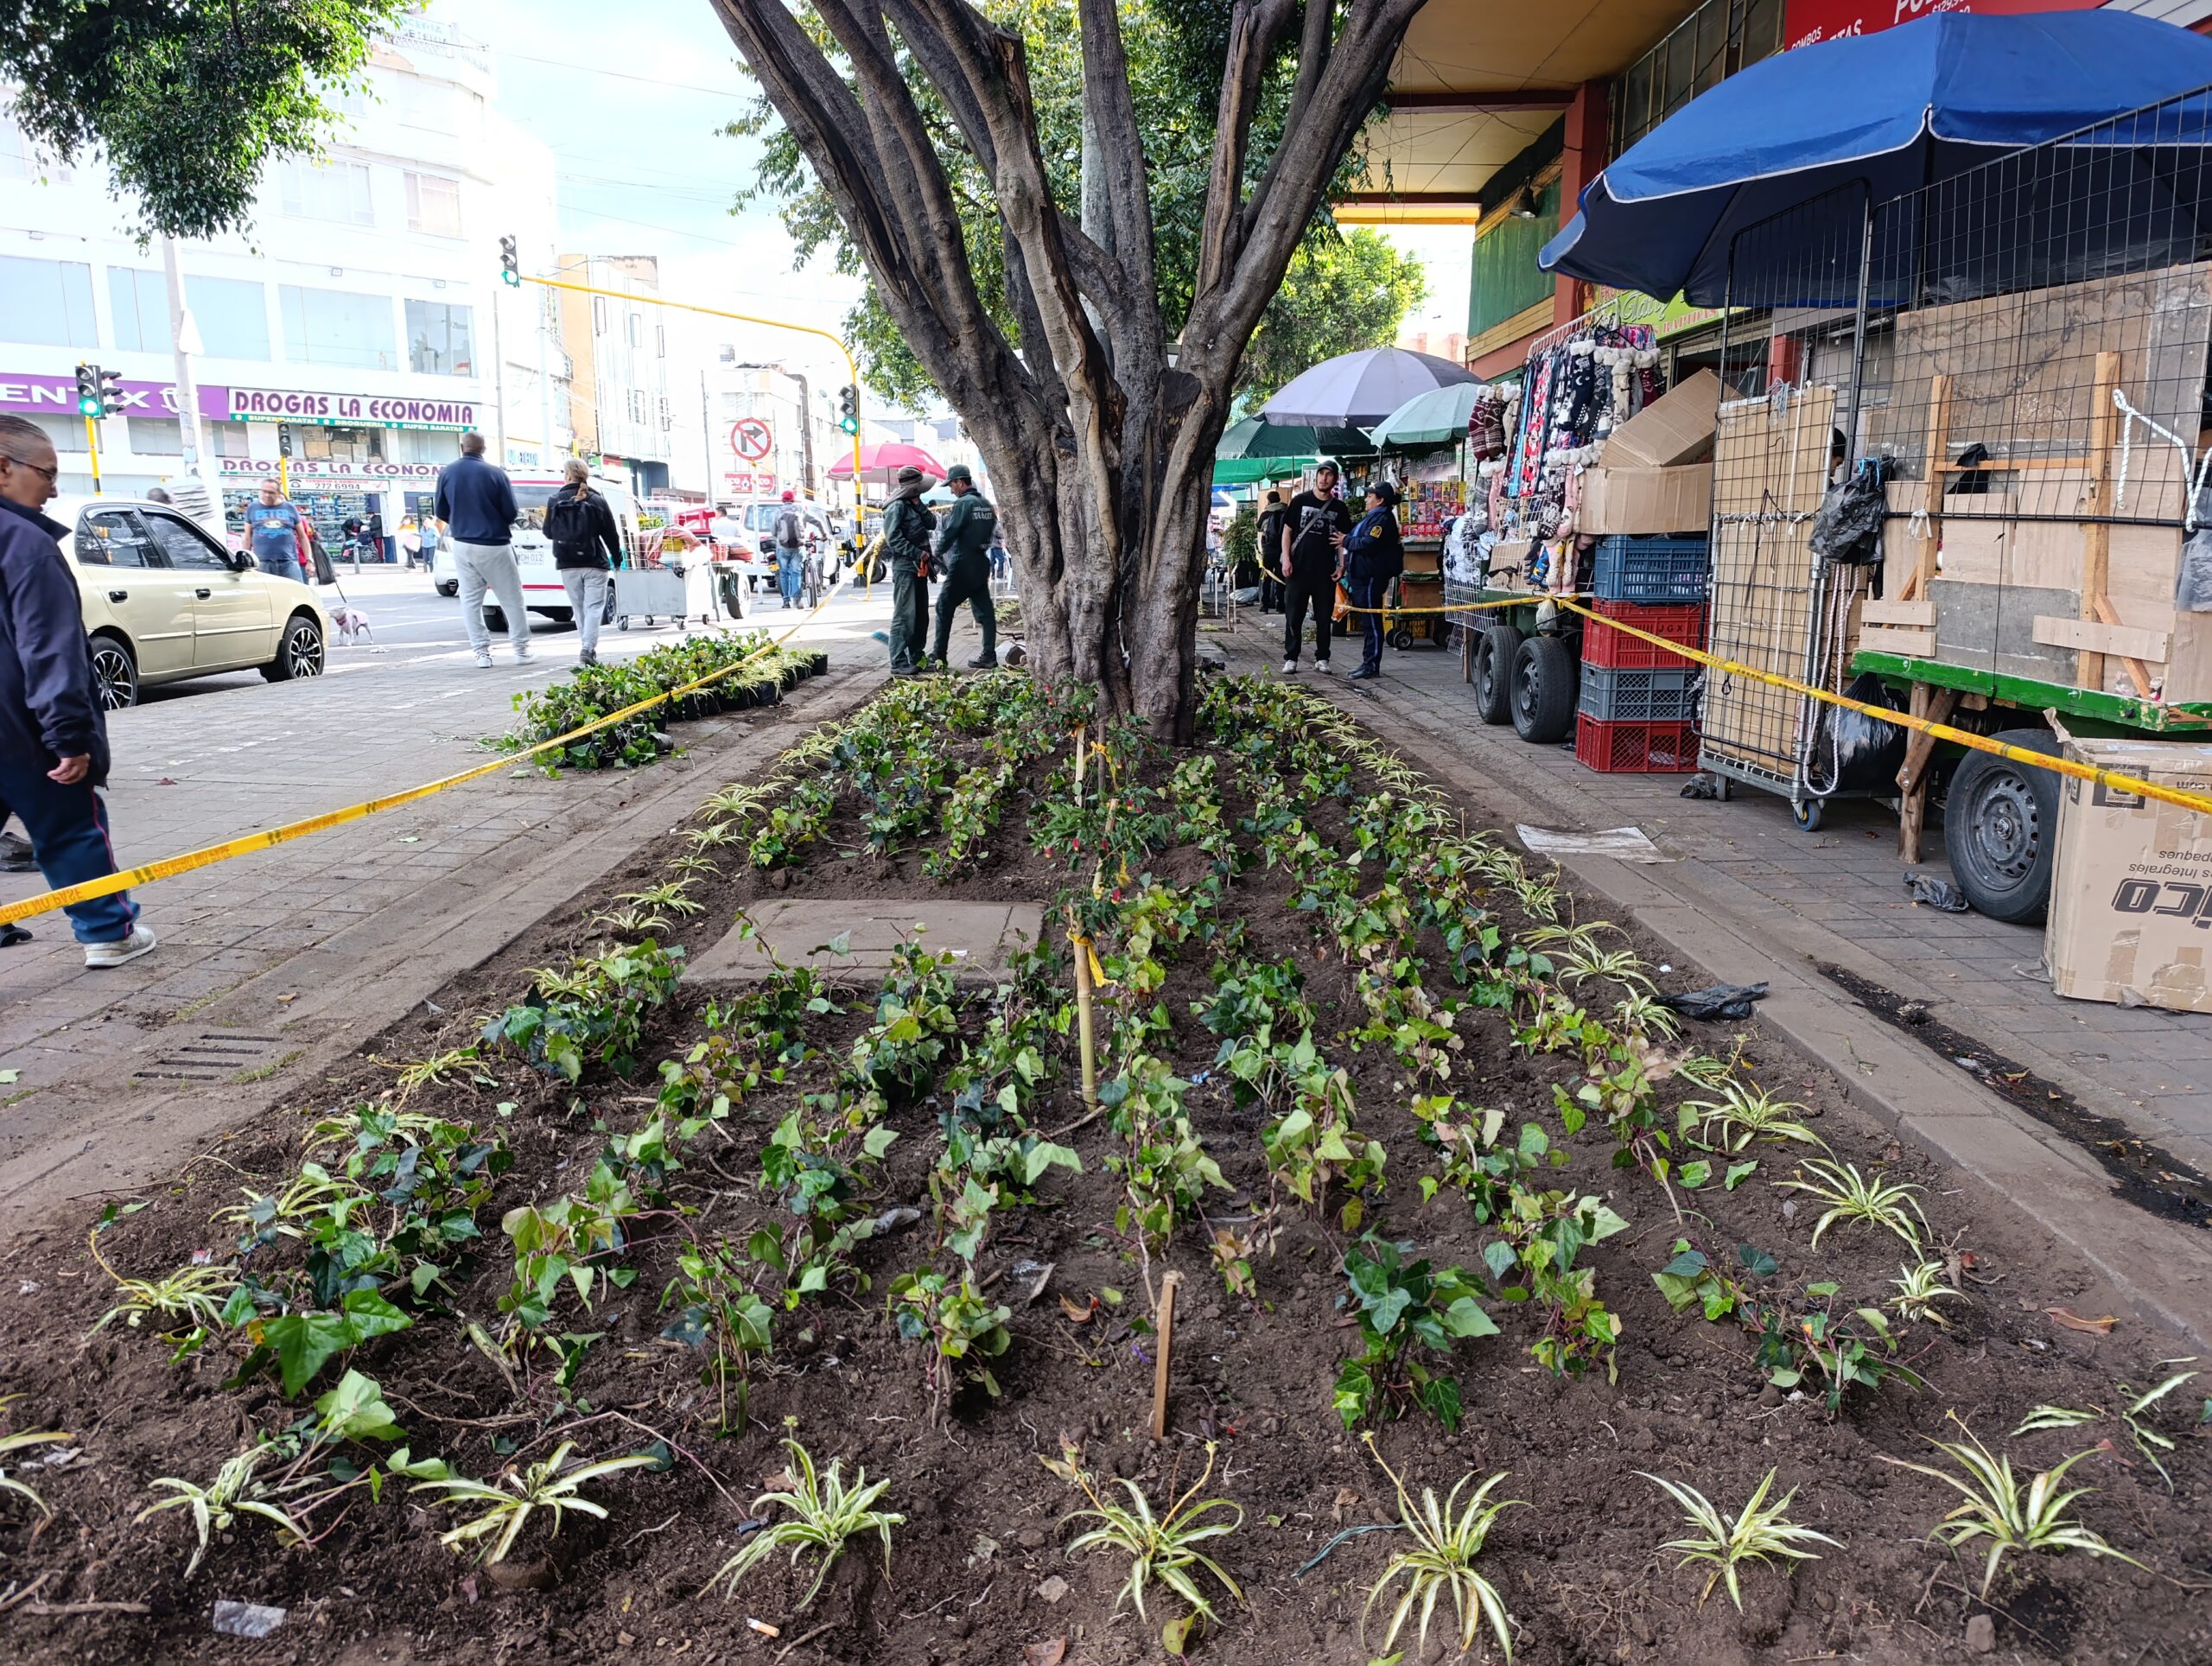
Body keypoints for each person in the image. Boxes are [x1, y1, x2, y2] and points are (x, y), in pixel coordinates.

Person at [0, 416, 155, 968]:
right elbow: (49, 648)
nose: (53, 488)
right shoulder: (24, 543)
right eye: (46, 473)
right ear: (4, 468)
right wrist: (68, 735)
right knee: (69, 826)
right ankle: (108, 931)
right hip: (22, 726)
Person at [433, 430, 530, 669]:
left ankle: (482, 654)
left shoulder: (447, 472)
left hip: (462, 543)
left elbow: (441, 511)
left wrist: (460, 522)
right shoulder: (496, 474)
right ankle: (520, 650)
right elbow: (510, 512)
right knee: (511, 598)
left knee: (470, 600)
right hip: (495, 543)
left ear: (461, 446)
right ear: (484, 449)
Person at [543, 459, 621, 666]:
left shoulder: (554, 499)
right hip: (595, 562)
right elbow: (611, 534)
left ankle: (587, 648)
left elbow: (548, 532)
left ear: (568, 475)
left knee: (579, 609)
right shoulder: (597, 500)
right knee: (594, 607)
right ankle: (588, 648)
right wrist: (618, 559)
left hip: (567, 564)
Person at [1281, 461, 1352, 674]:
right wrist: (1286, 559)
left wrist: (1342, 565)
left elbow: (1341, 540)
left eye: (1329, 475)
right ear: (1316, 477)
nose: (1324, 478)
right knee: (1294, 616)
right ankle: (1291, 657)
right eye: (1321, 474)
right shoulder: (1300, 501)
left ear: (1335, 480)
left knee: (1324, 617)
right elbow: (1287, 531)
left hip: (1325, 572)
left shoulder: (1339, 508)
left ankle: (1323, 658)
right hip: (1298, 569)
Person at [930, 463, 998, 671]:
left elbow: (951, 532)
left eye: (952, 485)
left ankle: (939, 656)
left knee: (944, 607)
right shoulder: (986, 504)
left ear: (960, 482)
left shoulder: (963, 504)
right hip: (981, 563)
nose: (951, 490)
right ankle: (989, 654)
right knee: (986, 613)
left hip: (963, 564)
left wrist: (937, 553)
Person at [1343, 480, 1405, 682]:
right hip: (1360, 577)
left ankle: (1371, 665)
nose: (1366, 499)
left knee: (1371, 622)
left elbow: (1369, 543)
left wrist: (1345, 541)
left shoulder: (1382, 520)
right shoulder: (1371, 517)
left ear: (1380, 500)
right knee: (1366, 622)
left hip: (1371, 577)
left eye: (1370, 496)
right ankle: (1366, 662)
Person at [881, 464, 936, 675]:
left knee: (921, 615)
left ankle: (917, 657)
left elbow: (931, 523)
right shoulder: (896, 507)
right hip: (906, 568)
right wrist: (915, 553)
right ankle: (897, 661)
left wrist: (919, 504)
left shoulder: (914, 504)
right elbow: (893, 538)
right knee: (905, 615)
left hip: (920, 569)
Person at [244, 479, 304, 579]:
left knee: (296, 592)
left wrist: (309, 560)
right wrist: (245, 560)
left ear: (278, 493)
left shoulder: (289, 507)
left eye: (271, 492)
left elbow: (302, 537)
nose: (267, 495)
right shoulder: (252, 507)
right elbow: (247, 537)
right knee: (266, 594)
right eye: (264, 491)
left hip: (288, 561)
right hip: (262, 562)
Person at [771, 489, 806, 610]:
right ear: (793, 499)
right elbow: (805, 525)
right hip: (798, 546)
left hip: (782, 547)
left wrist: (780, 537)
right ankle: (797, 599)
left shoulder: (778, 511)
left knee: (784, 574)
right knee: (796, 572)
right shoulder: (800, 509)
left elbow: (774, 531)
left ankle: (786, 601)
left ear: (783, 499)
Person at [1255, 490, 1287, 613]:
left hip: (1268, 550)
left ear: (1268, 501)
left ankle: (1264, 605)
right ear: (1279, 499)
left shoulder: (1265, 514)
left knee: (1266, 578)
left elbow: (1258, 528)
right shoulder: (1287, 512)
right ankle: (1280, 606)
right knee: (1281, 578)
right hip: (1282, 550)